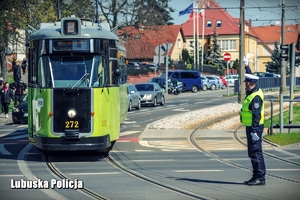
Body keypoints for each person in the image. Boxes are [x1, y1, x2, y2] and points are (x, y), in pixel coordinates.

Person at [240, 69, 266, 186]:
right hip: (251, 127)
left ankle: (260, 177)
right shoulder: (252, 92)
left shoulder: (255, 97)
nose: (245, 84)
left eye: (246, 82)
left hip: (255, 128)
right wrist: (247, 67)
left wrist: (254, 131)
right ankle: (256, 175)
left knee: (256, 151)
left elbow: (256, 115)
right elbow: (253, 76)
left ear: (250, 83)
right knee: (252, 152)